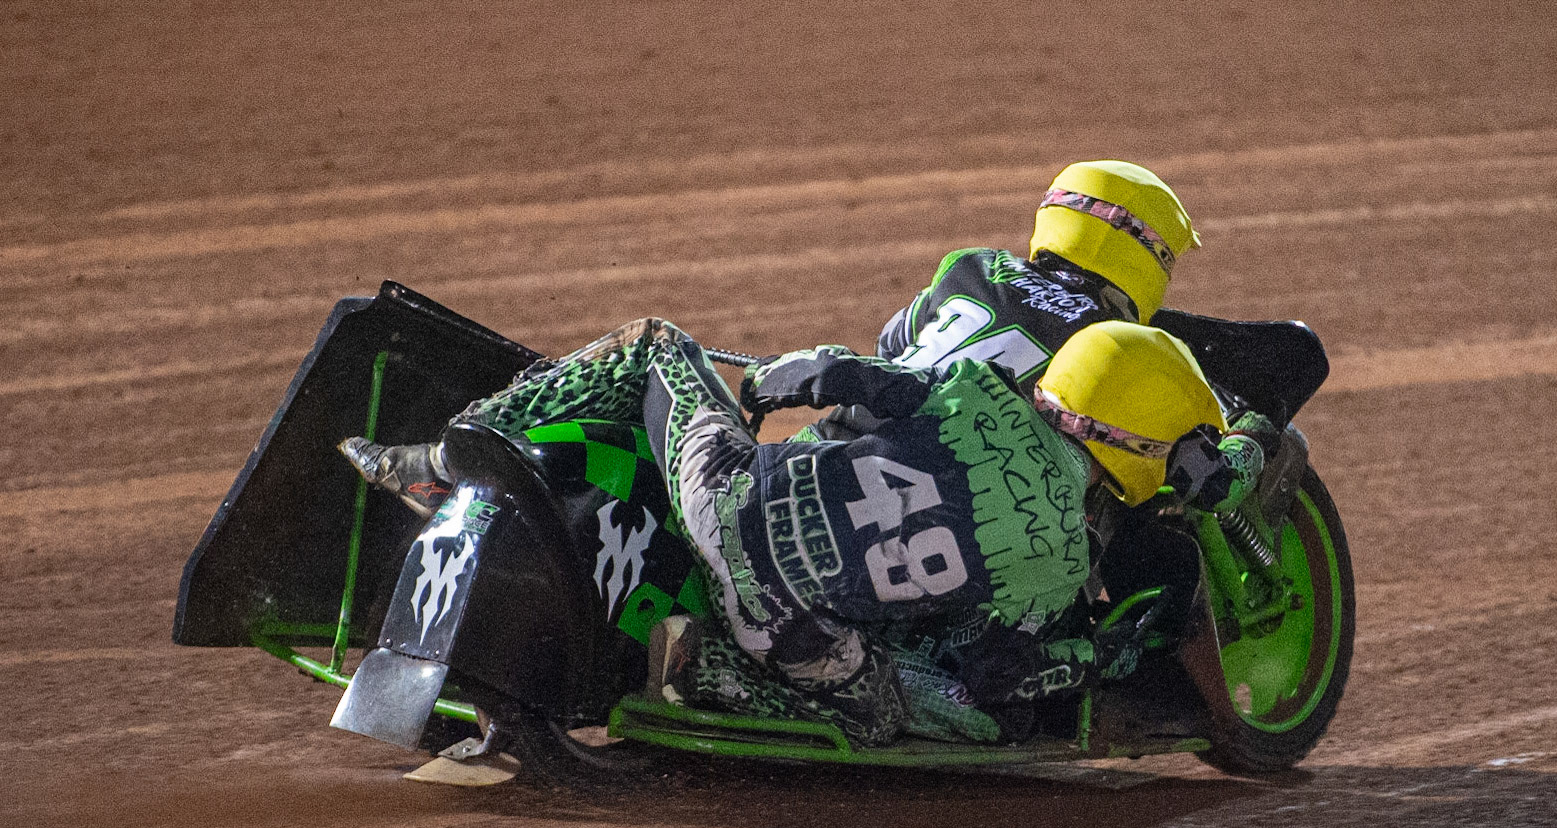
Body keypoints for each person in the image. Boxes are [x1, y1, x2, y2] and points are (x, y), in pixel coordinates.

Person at [342, 315, 1270, 746]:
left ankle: (446, 452)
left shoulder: (972, 387)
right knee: (919, 712)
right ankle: (708, 673)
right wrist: (1102, 652)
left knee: (654, 344)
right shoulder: (1062, 566)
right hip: (789, 629)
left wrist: (770, 381)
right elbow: (990, 668)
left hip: (723, 498)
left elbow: (835, 376)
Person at [874, 159, 1199, 391]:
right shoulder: (1113, 341)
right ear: (1146, 256)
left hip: (848, 438)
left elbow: (890, 347)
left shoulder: (971, 265)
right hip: (961, 476)